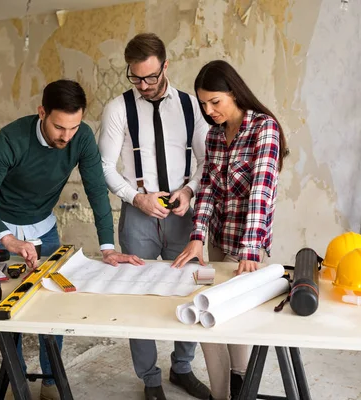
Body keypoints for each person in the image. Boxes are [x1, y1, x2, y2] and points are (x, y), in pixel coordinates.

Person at [0, 79, 143, 400]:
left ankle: (50, 381)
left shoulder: (82, 138)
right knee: (7, 312)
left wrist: (107, 247)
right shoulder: (11, 138)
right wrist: (8, 240)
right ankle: (16, 382)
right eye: (59, 127)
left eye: (74, 127)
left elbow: (96, 192)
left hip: (45, 229)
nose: (66, 136)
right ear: (41, 112)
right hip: (0, 229)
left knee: (54, 307)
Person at [98, 33, 211, 400]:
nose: (143, 85)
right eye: (135, 78)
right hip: (138, 215)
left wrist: (189, 191)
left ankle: (182, 368)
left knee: (188, 291)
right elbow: (104, 167)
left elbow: (207, 161)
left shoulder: (192, 106)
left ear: (166, 65)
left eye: (150, 76)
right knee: (139, 296)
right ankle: (150, 380)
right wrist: (136, 198)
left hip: (182, 213)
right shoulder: (117, 109)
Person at [171, 60, 289, 400]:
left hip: (249, 245)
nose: (209, 111)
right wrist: (197, 237)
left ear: (234, 93)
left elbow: (260, 192)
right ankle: (221, 393)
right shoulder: (213, 134)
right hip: (219, 241)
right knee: (209, 315)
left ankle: (242, 385)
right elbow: (206, 187)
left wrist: (250, 252)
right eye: (203, 104)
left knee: (238, 323)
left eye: (215, 102)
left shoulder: (263, 128)